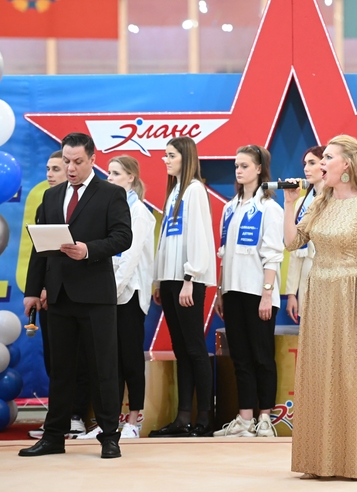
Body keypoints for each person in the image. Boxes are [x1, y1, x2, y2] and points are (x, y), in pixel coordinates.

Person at [19, 132, 132, 458]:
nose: (70, 168)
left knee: (103, 368)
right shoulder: (51, 197)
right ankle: (54, 436)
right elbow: (39, 249)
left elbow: (123, 237)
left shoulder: (111, 194)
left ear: (92, 160)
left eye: (77, 162)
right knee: (61, 368)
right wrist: (31, 291)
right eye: (66, 161)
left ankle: (110, 436)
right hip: (59, 295)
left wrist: (89, 250)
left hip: (95, 295)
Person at [285, 135, 357, 480]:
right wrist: (289, 203)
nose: (321, 163)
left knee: (348, 373)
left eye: (328, 157)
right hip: (318, 290)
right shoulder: (319, 202)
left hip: (351, 291)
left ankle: (351, 461)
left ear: (347, 165)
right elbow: (292, 243)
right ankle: (318, 460)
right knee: (317, 372)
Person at [78, 156, 155, 440]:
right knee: (108, 361)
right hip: (109, 293)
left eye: (115, 173)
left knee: (130, 359)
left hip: (129, 294)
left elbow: (131, 258)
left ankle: (133, 421)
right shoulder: (113, 209)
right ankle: (107, 421)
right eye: (107, 173)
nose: (108, 178)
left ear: (131, 178)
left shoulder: (140, 213)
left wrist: (112, 290)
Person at [213, 144, 284, 438]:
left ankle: (265, 417)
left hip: (258, 293)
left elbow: (273, 254)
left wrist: (267, 294)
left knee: (262, 356)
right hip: (232, 291)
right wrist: (219, 291)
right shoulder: (230, 208)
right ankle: (244, 418)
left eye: (245, 165)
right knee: (240, 356)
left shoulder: (270, 208)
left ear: (259, 169)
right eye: (236, 166)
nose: (239, 170)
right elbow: (224, 252)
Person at [149, 136, 217, 438]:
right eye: (165, 155)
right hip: (171, 280)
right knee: (181, 350)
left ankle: (204, 418)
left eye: (171, 155)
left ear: (185, 157)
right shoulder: (174, 191)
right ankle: (182, 417)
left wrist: (190, 278)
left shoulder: (194, 190)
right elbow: (165, 242)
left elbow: (200, 238)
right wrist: (158, 279)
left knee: (194, 348)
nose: (166, 159)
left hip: (189, 281)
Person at [27, 150, 89, 441]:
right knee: (55, 359)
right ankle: (58, 417)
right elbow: (40, 252)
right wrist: (35, 289)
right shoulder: (47, 203)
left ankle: (76, 416)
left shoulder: (83, 204)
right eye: (49, 168)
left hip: (75, 292)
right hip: (50, 292)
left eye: (57, 167)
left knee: (76, 358)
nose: (51, 173)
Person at [285, 145, 325, 324]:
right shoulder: (302, 201)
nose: (306, 168)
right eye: (305, 163)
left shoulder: (339, 199)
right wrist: (291, 293)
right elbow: (295, 250)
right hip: (307, 279)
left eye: (312, 163)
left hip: (330, 277)